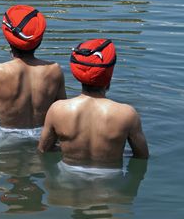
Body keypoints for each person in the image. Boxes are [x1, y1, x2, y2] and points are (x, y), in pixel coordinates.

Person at [38, 38, 149, 167]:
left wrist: (72, 151)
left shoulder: (57, 110)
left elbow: (43, 150)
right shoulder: (127, 114)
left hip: (67, 181)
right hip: (109, 183)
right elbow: (142, 156)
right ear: (109, 74)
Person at [0, 4, 66, 130]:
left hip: (7, 138)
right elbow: (61, 114)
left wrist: (5, 100)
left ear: (8, 39)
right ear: (39, 41)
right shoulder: (54, 69)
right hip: (42, 137)